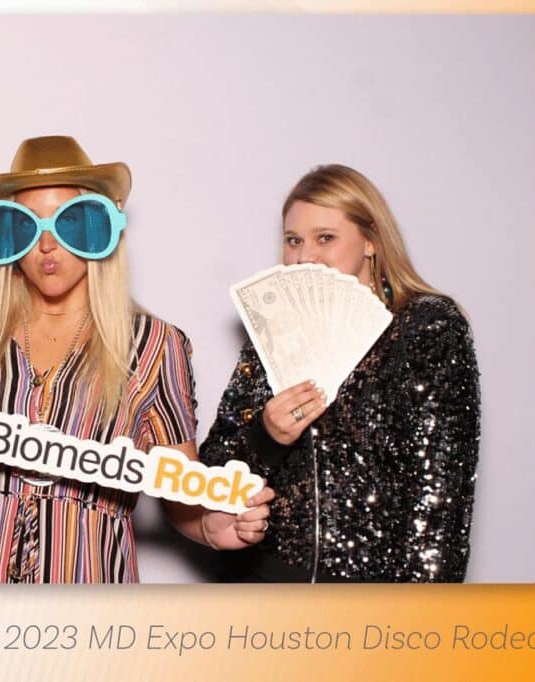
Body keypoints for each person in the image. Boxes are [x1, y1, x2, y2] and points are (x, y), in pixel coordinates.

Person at [0, 135, 273, 583]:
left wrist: (211, 527)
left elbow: (177, 487)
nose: (47, 244)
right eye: (27, 225)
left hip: (89, 601)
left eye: (69, 222)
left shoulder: (154, 346)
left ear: (100, 229)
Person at [199, 164, 480, 582]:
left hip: (375, 598)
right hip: (267, 587)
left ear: (370, 240)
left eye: (325, 238)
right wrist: (265, 438)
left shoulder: (428, 327)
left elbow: (441, 497)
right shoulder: (273, 333)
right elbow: (210, 475)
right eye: (294, 240)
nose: (304, 256)